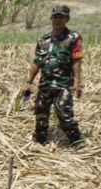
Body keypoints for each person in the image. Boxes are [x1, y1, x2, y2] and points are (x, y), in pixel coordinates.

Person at [23, 4, 83, 145]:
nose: (57, 20)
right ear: (51, 18)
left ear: (67, 19)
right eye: (55, 16)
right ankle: (40, 141)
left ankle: (77, 143)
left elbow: (77, 61)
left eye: (61, 17)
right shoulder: (44, 39)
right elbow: (37, 63)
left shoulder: (73, 38)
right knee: (40, 114)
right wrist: (28, 82)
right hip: (45, 84)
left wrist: (77, 83)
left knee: (65, 115)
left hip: (63, 85)